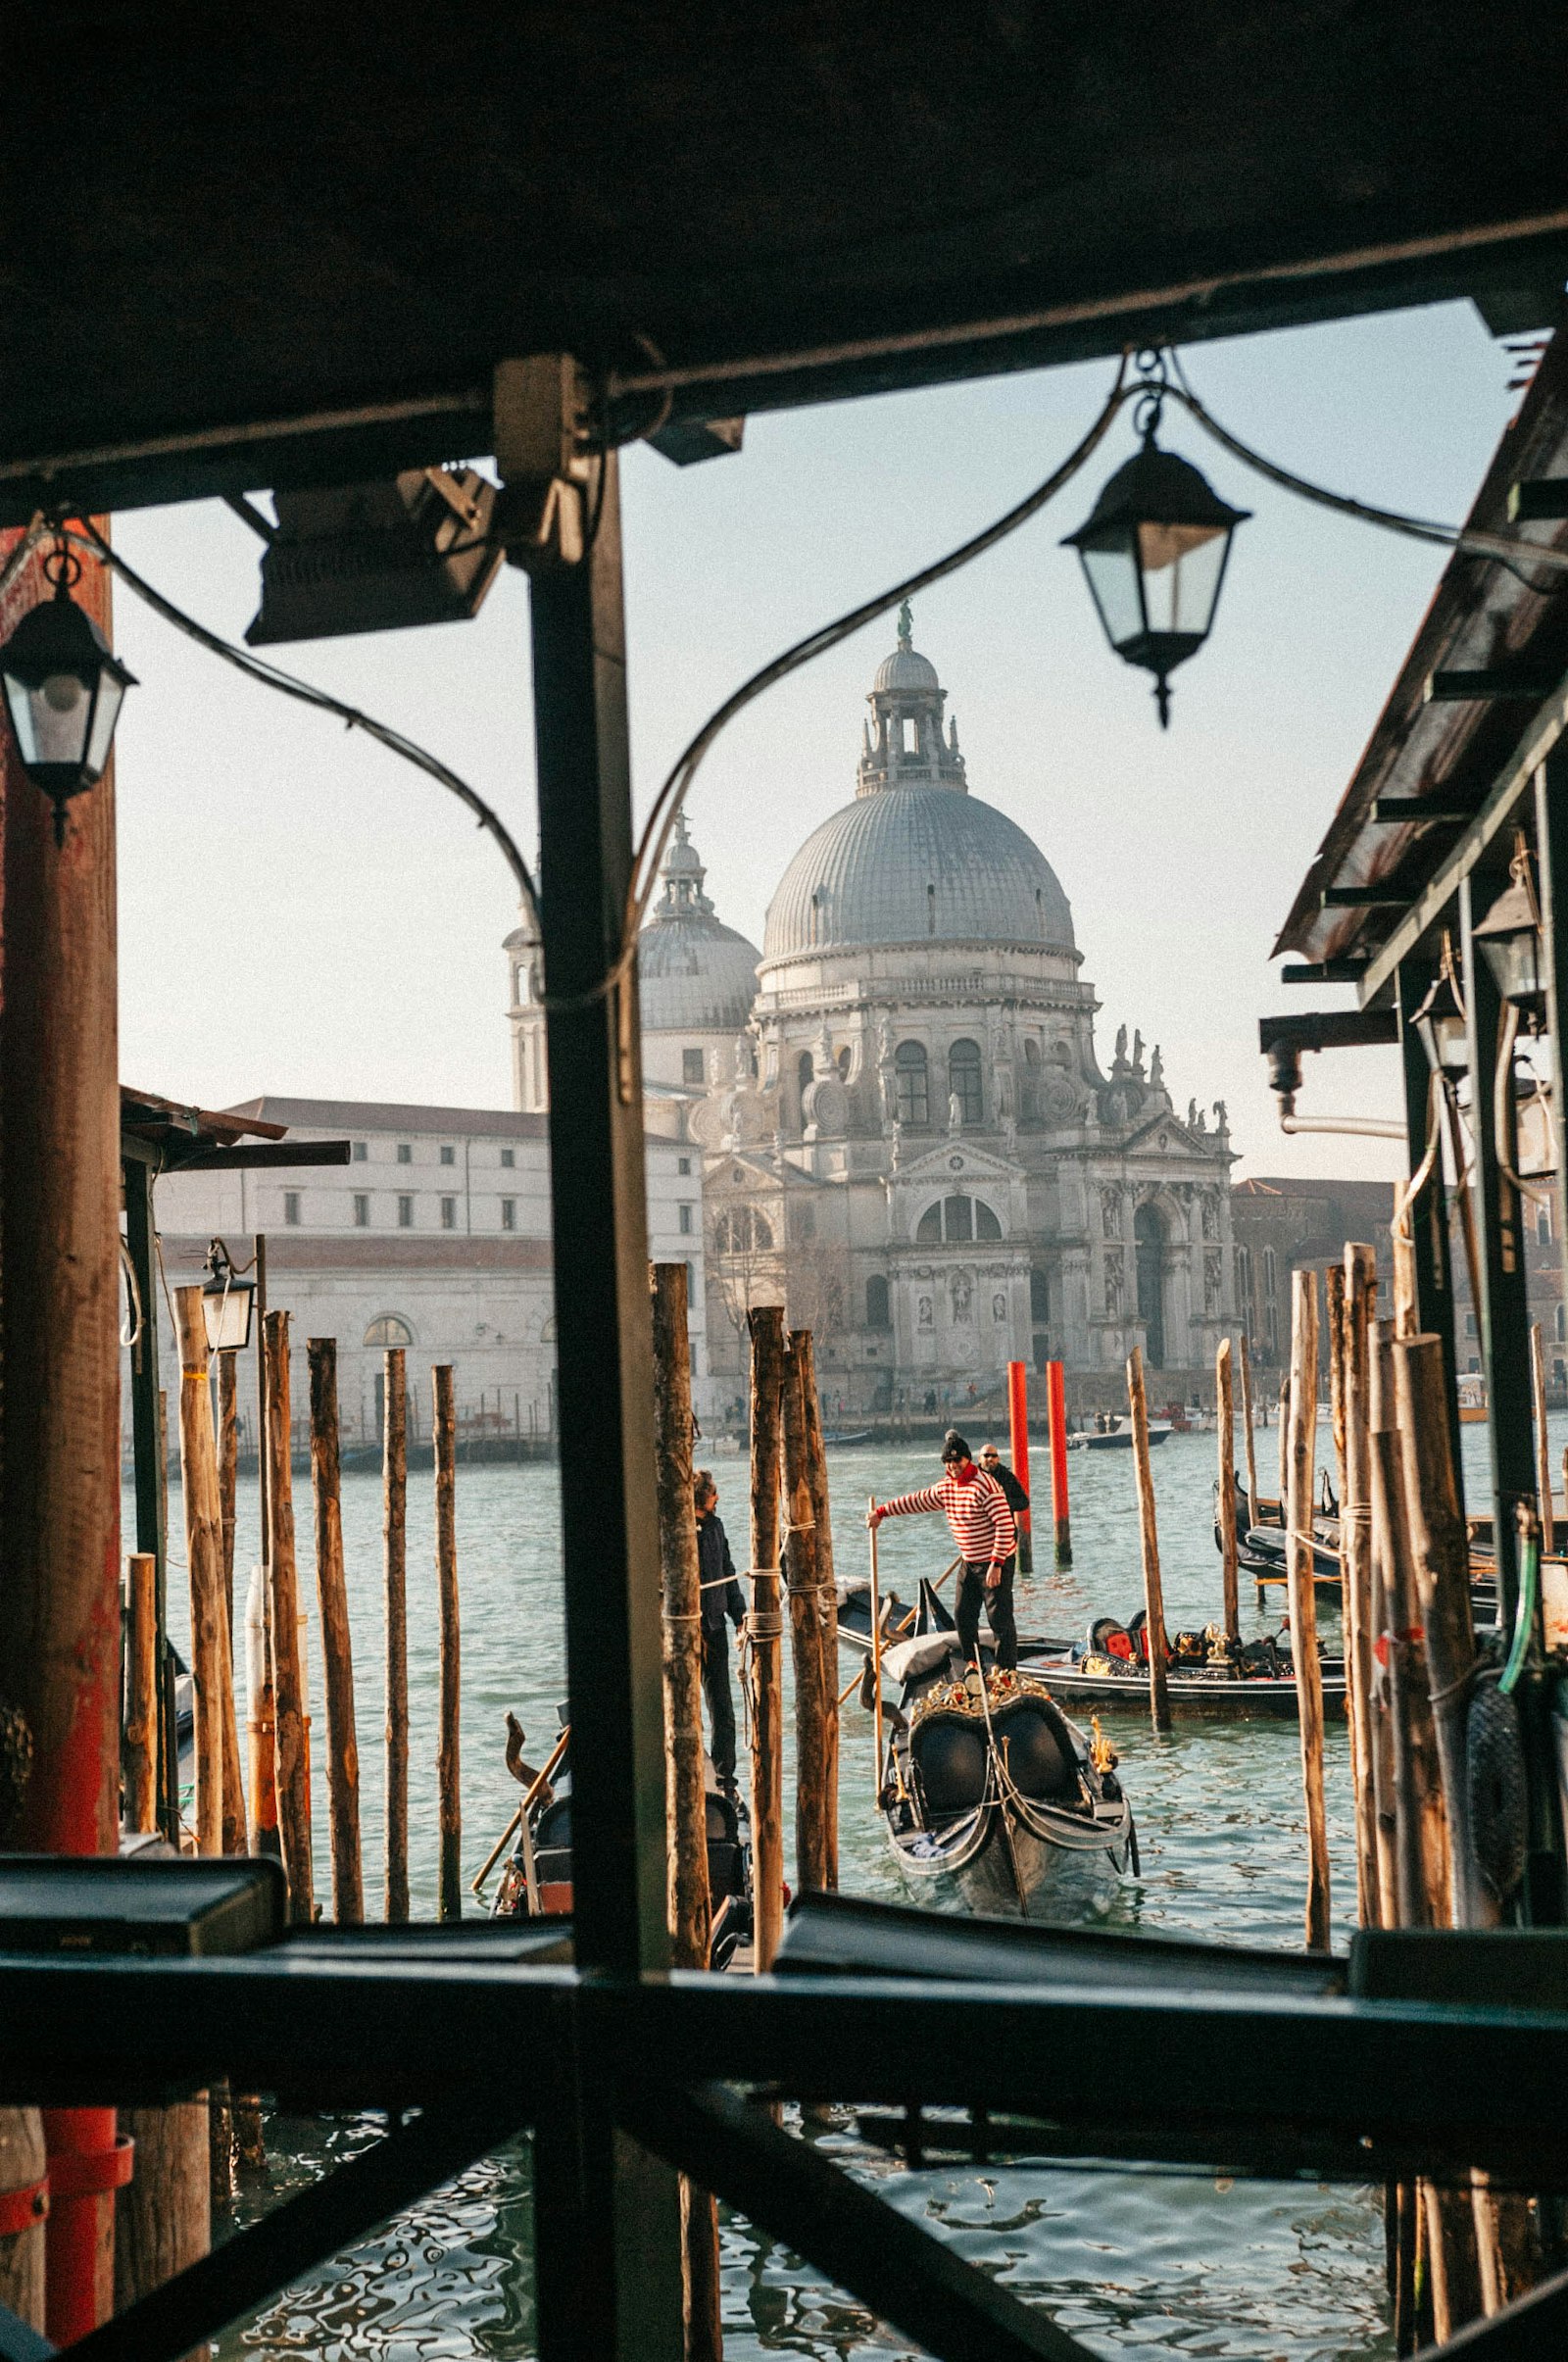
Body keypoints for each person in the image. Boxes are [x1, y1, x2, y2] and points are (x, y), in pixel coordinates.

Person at [867, 1430, 1017, 1669]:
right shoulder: (947, 1488)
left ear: (967, 1459)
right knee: (962, 1616)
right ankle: (973, 1663)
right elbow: (915, 1501)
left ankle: (1006, 1671)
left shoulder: (986, 1486)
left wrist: (997, 1563)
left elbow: (1006, 1525)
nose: (954, 1465)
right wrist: (882, 1512)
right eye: (949, 1461)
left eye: (958, 1460)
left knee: (999, 1619)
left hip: (995, 1561)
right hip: (970, 1561)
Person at [695, 1468, 746, 1784]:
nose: (718, 1498)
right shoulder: (681, 1530)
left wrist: (740, 1616)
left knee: (723, 1711)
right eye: (714, 1493)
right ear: (705, 1497)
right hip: (685, 1632)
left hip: (714, 1629)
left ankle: (724, 1777)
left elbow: (727, 1572)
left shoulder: (717, 1527)